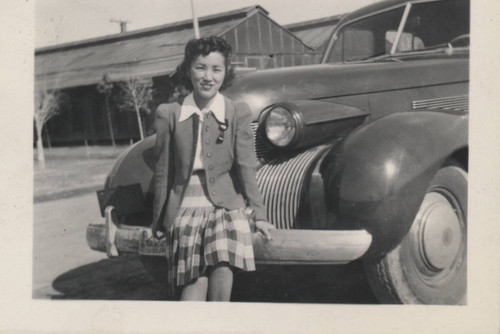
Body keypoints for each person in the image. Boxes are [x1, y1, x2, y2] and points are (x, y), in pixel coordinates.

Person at [151, 35, 275, 301]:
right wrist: (159, 219)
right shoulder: (170, 113)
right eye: (201, 67)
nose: (208, 76)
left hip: (225, 206)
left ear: (224, 73)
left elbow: (245, 166)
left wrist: (260, 215)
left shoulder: (236, 112)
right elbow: (163, 172)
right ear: (188, 70)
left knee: (222, 262)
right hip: (185, 206)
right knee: (193, 283)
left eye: (216, 69)